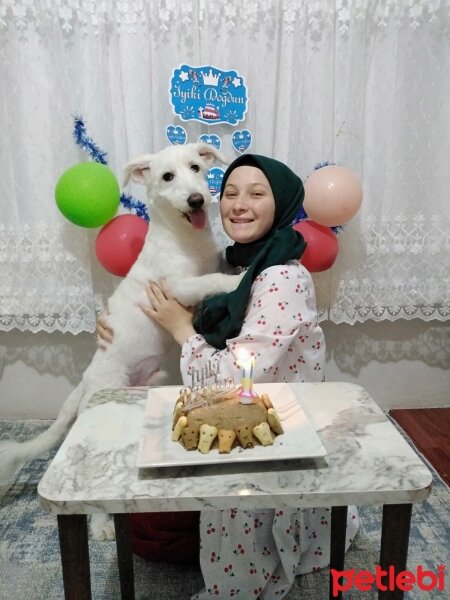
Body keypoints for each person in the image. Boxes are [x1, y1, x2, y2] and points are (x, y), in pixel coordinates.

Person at [97, 154, 359, 598]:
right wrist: (113, 319)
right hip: (232, 415)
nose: (238, 204)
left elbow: (233, 379)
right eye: (231, 192)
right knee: (145, 523)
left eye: (257, 194)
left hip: (271, 433)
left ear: (283, 204)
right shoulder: (240, 264)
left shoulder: (281, 278)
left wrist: (180, 327)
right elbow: (169, 292)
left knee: (152, 532)